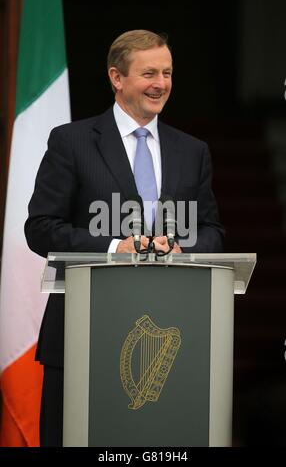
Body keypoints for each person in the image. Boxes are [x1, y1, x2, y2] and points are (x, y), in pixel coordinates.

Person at [25, 29, 224, 446]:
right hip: (81, 339)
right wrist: (116, 247)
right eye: (149, 72)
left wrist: (181, 246)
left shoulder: (193, 151)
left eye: (167, 73)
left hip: (173, 335)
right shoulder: (72, 142)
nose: (161, 83)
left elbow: (212, 231)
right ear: (117, 77)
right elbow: (41, 227)